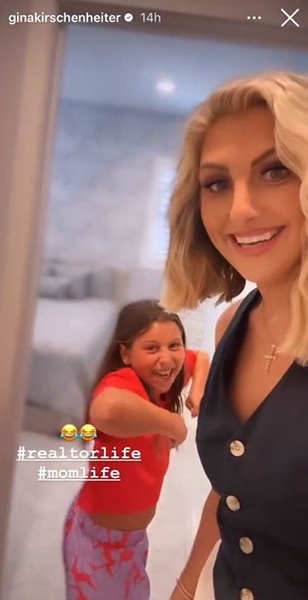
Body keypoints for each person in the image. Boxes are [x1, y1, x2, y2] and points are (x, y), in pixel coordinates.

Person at [161, 71, 308, 600]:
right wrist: (187, 581)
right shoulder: (231, 325)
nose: (240, 210)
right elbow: (231, 493)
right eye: (217, 183)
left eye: (276, 170)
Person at [62, 299, 210, 600]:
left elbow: (202, 357)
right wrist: (173, 424)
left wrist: (198, 390)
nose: (167, 359)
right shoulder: (125, 382)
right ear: (125, 354)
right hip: (98, 542)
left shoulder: (166, 380)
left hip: (132, 541)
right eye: (151, 348)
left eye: (174, 345)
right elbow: (104, 409)